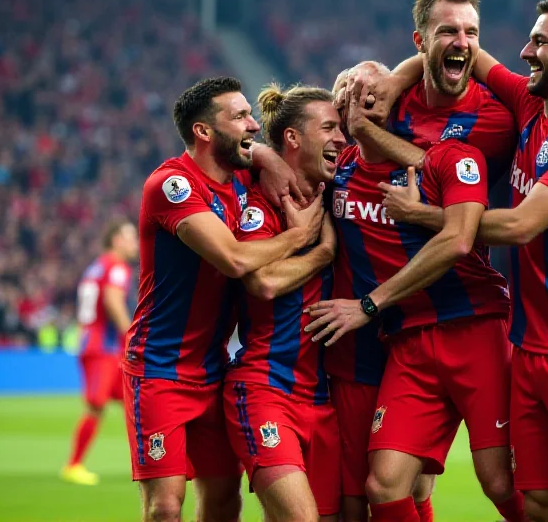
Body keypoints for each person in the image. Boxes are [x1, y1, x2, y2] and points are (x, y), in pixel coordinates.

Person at [365, 0, 548, 522]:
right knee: (540, 502)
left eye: (540, 42)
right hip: (530, 348)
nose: (524, 52)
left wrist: (426, 214)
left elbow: (518, 225)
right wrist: (399, 75)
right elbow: (461, 50)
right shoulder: (529, 106)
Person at [324, 0, 523, 522]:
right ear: (420, 41)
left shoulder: (495, 120)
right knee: (384, 486)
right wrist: (378, 82)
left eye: (471, 33)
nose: (461, 42)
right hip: (409, 332)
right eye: (447, 32)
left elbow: (450, 192)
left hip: (474, 319)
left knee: (500, 480)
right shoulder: (397, 100)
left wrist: (369, 127)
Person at [122, 76, 324, 522]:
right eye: (240, 116)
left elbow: (261, 152)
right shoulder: (172, 185)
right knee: (166, 508)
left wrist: (267, 157)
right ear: (204, 132)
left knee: (224, 500)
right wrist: (301, 237)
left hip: (213, 369)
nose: (253, 124)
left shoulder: (241, 175)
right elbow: (233, 259)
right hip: (159, 368)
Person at [223, 83, 345, 522]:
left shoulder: (338, 196)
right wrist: (321, 252)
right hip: (265, 388)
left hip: (322, 399)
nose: (341, 139)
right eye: (329, 128)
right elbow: (264, 283)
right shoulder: (262, 203)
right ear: (293, 139)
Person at [61, 218, 138, 486]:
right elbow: (113, 300)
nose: (135, 244)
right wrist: (130, 335)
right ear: (116, 240)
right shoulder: (117, 267)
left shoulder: (97, 266)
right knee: (97, 406)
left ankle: (148, 461)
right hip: (103, 347)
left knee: (134, 402)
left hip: (91, 342)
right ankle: (73, 466)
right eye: (130, 238)